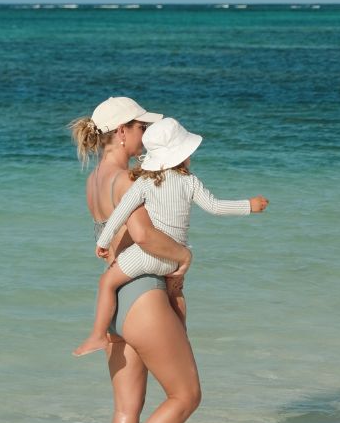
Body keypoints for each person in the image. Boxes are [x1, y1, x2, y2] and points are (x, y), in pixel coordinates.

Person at [69, 96, 199, 423]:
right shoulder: (126, 180)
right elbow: (144, 236)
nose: (146, 135)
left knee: (126, 409)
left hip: (115, 305)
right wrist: (184, 256)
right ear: (122, 131)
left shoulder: (94, 181)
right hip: (142, 295)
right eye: (141, 127)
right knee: (185, 395)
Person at [74, 117, 268, 358]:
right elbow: (216, 207)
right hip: (174, 257)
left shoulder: (143, 183)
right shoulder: (190, 182)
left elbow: (121, 212)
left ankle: (98, 335)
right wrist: (249, 205)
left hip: (149, 254)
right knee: (175, 293)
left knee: (107, 282)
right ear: (182, 155)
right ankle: (180, 335)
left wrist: (103, 241)